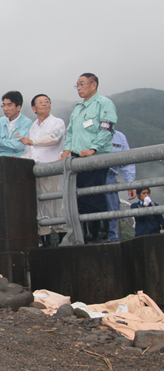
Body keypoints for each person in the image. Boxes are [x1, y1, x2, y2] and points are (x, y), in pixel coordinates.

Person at [60, 73, 118, 243]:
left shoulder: (104, 103)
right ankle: (87, 234)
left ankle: (101, 234)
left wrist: (93, 148)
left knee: (95, 195)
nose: (79, 88)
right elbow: (70, 132)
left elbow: (106, 128)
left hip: (96, 157)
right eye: (77, 85)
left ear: (94, 85)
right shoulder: (78, 108)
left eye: (82, 84)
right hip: (78, 160)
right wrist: (67, 150)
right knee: (81, 198)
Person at [19, 94, 67, 247]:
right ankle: (45, 241)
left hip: (52, 169)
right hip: (37, 171)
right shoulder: (33, 127)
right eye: (40, 102)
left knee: (57, 204)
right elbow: (29, 151)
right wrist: (18, 158)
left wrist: (33, 142)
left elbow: (54, 139)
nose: (44, 104)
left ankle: (62, 239)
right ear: (34, 108)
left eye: (47, 101)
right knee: (40, 206)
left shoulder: (57, 122)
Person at [106, 130, 137, 242]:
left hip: (110, 177)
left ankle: (112, 244)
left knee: (113, 214)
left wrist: (130, 183)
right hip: (89, 176)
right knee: (89, 213)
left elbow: (127, 160)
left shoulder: (119, 136)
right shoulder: (88, 132)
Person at [0, 91, 33, 157]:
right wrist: (12, 143)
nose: (5, 109)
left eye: (9, 105)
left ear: (18, 107)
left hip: (16, 161)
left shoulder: (27, 122)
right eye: (3, 105)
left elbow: (19, 145)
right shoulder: (0, 121)